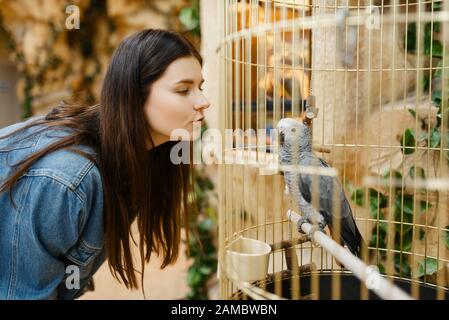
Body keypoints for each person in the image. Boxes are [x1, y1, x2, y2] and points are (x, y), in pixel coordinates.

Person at [0, 29, 210, 299]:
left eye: (200, 87)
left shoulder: (139, 156)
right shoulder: (66, 179)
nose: (204, 102)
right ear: (133, 95)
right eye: (183, 90)